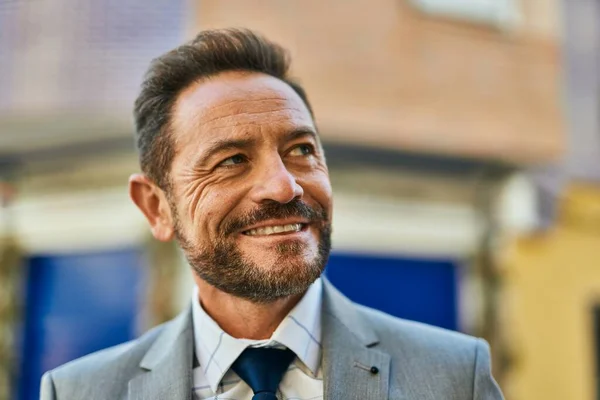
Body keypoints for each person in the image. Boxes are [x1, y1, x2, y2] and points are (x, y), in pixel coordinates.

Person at [40, 28, 504, 400]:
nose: (285, 185)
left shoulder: (454, 376)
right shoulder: (80, 391)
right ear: (157, 207)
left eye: (301, 149)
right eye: (232, 160)